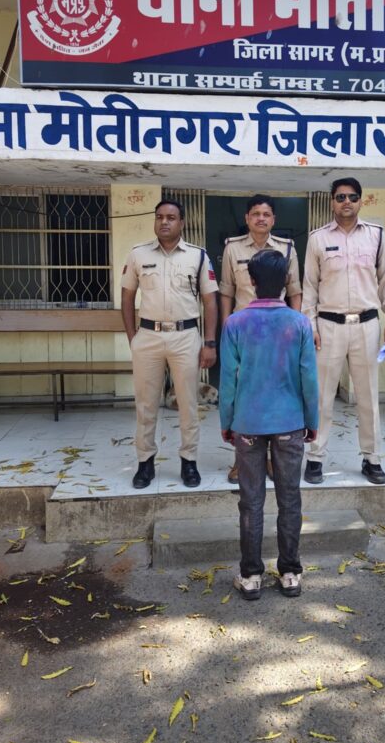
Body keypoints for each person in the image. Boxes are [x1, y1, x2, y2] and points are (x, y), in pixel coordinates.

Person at [219, 250, 318, 600]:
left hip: (247, 423)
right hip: (290, 422)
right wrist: (312, 421)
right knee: (290, 497)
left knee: (251, 500)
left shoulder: (235, 323)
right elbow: (309, 378)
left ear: (251, 281)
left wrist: (227, 421)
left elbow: (228, 380)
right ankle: (290, 572)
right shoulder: (299, 323)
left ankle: (250, 576)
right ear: (286, 282)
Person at [302, 177, 385, 486]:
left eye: (353, 197)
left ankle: (372, 458)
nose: (347, 202)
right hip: (328, 326)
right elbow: (309, 287)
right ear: (332, 201)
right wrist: (310, 325)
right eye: (341, 197)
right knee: (322, 396)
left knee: (368, 396)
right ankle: (315, 457)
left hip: (366, 325)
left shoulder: (376, 235)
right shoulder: (317, 238)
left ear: (361, 201)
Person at [121, 198, 218, 489]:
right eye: (160, 216)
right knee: (145, 403)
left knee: (188, 403)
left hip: (185, 336)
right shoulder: (138, 254)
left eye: (171, 217)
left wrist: (209, 342)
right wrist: (133, 338)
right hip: (148, 336)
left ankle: (189, 461)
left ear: (182, 223)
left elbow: (210, 301)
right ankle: (145, 463)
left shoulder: (198, 256)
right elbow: (127, 298)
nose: (164, 222)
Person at [219, 193, 302, 484]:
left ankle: (270, 458)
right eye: (255, 214)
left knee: (275, 392)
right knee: (243, 395)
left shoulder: (287, 249)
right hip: (244, 334)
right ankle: (240, 460)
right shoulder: (232, 248)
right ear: (247, 218)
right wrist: (225, 329)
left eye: (266, 214)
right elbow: (226, 292)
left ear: (273, 219)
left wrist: (296, 328)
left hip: (279, 334)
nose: (261, 219)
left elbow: (294, 291)